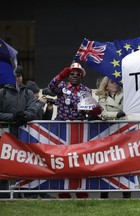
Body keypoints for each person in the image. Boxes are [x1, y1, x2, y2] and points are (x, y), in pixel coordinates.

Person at [48, 62, 101, 198]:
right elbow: (51, 87)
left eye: (78, 74)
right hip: (62, 128)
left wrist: (94, 110)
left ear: (81, 76)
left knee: (80, 161)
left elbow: (90, 109)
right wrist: (60, 76)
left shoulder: (86, 90)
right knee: (62, 160)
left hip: (79, 128)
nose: (75, 76)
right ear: (68, 75)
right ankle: (63, 191)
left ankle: (81, 190)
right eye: (72, 73)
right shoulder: (61, 87)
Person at [0, 65, 37, 198]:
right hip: (4, 136)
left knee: (24, 165)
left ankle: (24, 194)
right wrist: (12, 117)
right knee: (4, 165)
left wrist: (24, 116)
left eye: (19, 75)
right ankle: (4, 194)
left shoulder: (28, 93)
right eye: (14, 75)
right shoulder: (2, 93)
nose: (16, 78)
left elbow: (33, 111)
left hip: (23, 137)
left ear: (22, 77)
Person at [95, 76, 131, 199]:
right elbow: (103, 114)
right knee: (107, 164)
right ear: (106, 85)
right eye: (111, 82)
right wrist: (117, 114)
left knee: (125, 163)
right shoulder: (102, 98)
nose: (115, 84)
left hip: (123, 132)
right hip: (109, 133)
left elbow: (128, 108)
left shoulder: (125, 94)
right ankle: (104, 194)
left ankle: (127, 193)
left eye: (116, 82)